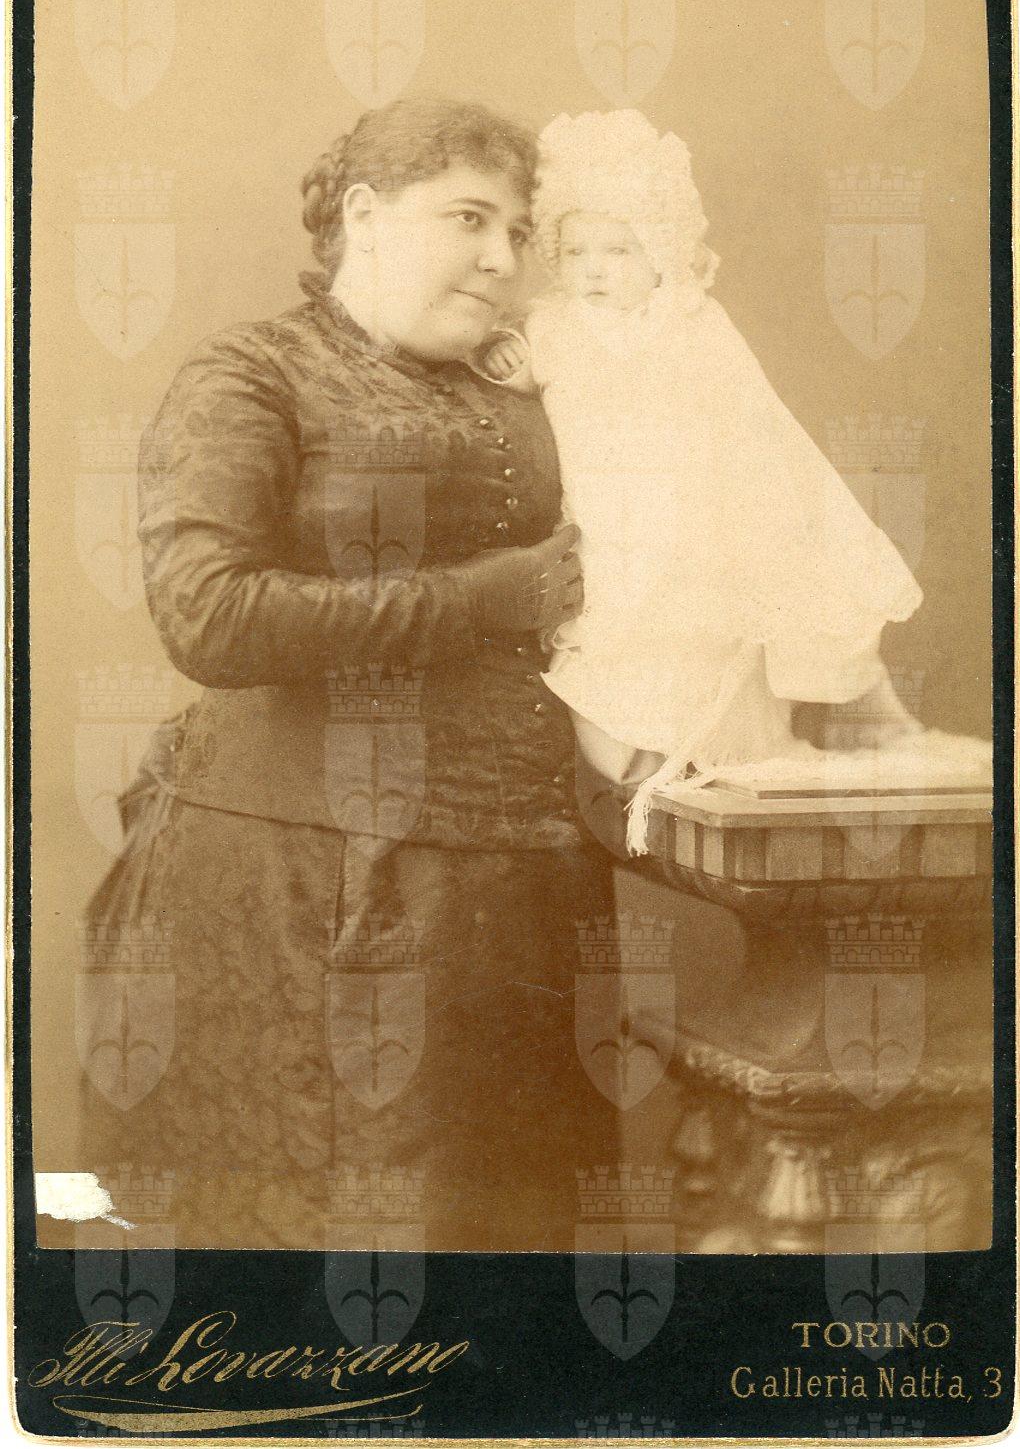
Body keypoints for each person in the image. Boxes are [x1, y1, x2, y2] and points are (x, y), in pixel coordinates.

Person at [77, 97, 622, 1253]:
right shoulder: (252, 372)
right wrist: (480, 598)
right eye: (469, 217)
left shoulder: (528, 383)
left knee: (514, 1255)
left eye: (518, 230)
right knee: (342, 1249)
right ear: (365, 216)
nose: (503, 256)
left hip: (527, 896)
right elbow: (209, 616)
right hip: (303, 885)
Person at [477, 110, 925, 853]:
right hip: (602, 521)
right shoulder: (553, 324)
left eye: (617, 250)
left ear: (661, 255)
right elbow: (520, 379)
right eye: (576, 250)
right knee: (613, 647)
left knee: (704, 631)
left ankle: (709, 760)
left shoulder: (690, 321)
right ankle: (641, 770)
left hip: (687, 513)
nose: (593, 269)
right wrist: (512, 371)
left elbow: (749, 421)